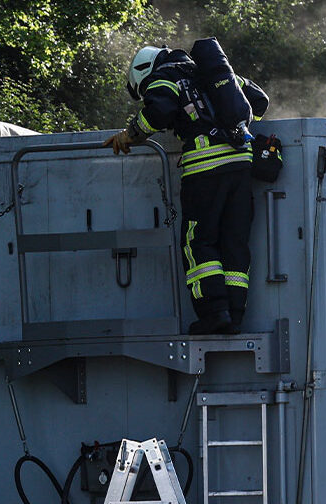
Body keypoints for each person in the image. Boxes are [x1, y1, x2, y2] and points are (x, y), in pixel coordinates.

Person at [105, 43, 270, 335]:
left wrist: (130, 135)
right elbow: (258, 101)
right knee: (234, 244)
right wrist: (229, 126)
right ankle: (234, 317)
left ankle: (212, 313)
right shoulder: (215, 73)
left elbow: (157, 113)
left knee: (198, 243)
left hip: (205, 169)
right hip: (242, 165)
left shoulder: (166, 76)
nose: (147, 93)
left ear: (144, 71)